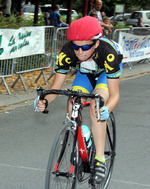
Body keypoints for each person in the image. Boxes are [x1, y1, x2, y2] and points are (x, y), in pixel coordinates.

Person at [36, 16, 123, 185]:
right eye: (76, 46)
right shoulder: (67, 52)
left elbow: (115, 95)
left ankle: (99, 160)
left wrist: (107, 109)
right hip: (85, 76)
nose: (79, 51)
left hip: (105, 74)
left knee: (96, 104)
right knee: (72, 100)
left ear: (96, 43)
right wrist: (44, 100)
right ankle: (83, 134)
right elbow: (57, 87)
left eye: (85, 47)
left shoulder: (109, 54)